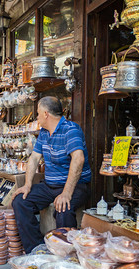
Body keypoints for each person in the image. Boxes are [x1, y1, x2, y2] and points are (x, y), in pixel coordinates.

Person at [12, 96, 92, 253]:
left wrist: (66, 193)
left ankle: (65, 257)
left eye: (38, 113)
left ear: (46, 113)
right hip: (50, 186)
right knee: (20, 202)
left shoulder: (71, 129)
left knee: (63, 208)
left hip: (76, 186)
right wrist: (27, 185)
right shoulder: (44, 133)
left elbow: (78, 159)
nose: (37, 117)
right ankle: (36, 250)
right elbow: (34, 158)